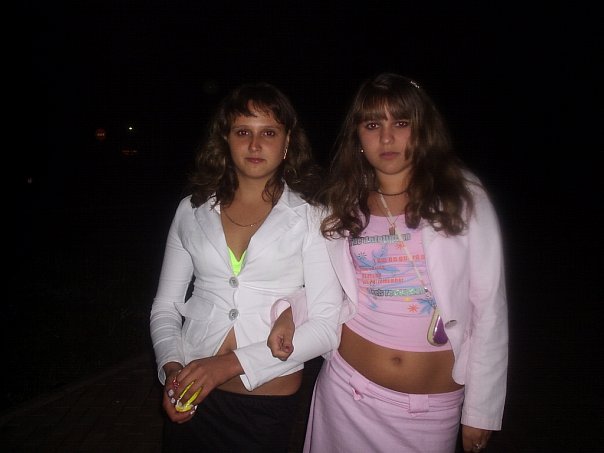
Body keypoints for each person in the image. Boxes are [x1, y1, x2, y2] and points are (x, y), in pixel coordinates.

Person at [268, 73, 509, 453]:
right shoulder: (344, 204)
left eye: (401, 123)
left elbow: (490, 307)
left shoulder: (462, 197)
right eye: (372, 125)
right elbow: (334, 289)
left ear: (422, 129)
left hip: (429, 413)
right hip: (345, 394)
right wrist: (290, 312)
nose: (386, 137)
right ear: (357, 136)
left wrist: (481, 409)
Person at [149, 82, 343, 452]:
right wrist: (171, 367)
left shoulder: (313, 215)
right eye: (243, 132)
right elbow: (166, 306)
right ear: (225, 139)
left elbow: (325, 326)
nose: (255, 145)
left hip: (264, 402)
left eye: (268, 132)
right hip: (191, 395)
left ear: (287, 142)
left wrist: (225, 365)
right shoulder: (191, 209)